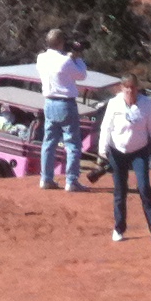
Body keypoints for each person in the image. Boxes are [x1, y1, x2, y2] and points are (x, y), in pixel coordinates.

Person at [97, 73, 151, 242]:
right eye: (127, 87)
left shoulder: (146, 104)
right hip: (117, 151)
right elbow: (106, 127)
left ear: (137, 88)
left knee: (144, 187)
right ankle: (119, 229)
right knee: (120, 191)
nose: (130, 91)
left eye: (133, 87)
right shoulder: (114, 104)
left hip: (139, 151)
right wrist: (102, 150)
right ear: (122, 88)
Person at [35, 28, 88, 191]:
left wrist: (70, 57)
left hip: (49, 102)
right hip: (65, 103)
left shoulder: (41, 58)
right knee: (72, 143)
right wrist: (77, 58)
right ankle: (71, 181)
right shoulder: (65, 61)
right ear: (60, 43)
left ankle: (46, 179)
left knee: (49, 142)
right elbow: (82, 75)